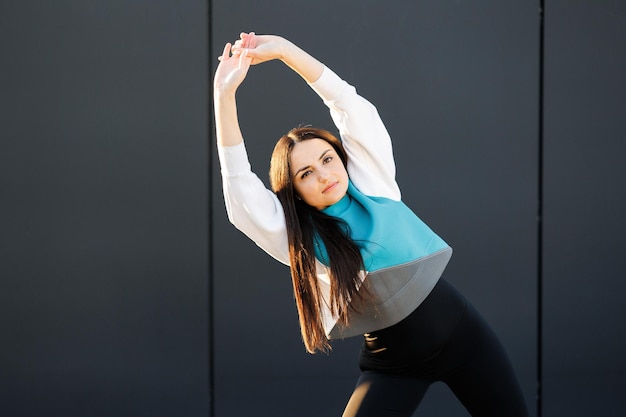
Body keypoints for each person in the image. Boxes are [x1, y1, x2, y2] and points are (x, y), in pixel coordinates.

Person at [213, 32, 529, 417]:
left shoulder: (371, 181)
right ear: (293, 191)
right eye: (307, 173)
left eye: (328, 159)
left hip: (463, 335)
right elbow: (240, 189)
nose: (325, 175)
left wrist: (284, 51)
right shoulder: (298, 239)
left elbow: (346, 102)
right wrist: (224, 95)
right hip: (395, 363)